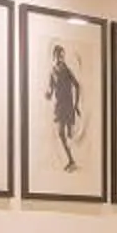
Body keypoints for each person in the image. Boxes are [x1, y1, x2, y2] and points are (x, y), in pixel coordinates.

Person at [44, 41, 86, 173]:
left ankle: (76, 158)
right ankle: (71, 160)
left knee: (70, 135)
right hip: (59, 107)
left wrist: (76, 105)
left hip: (68, 105)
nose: (60, 58)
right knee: (61, 134)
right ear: (54, 56)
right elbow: (50, 91)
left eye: (62, 56)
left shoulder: (66, 70)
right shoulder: (52, 72)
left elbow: (77, 85)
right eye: (58, 56)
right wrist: (48, 94)